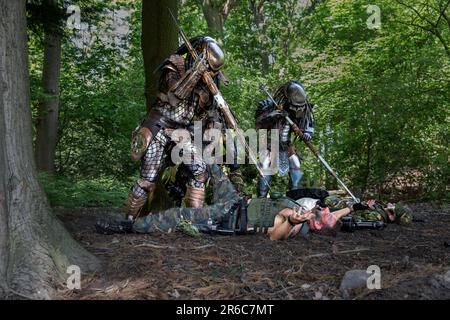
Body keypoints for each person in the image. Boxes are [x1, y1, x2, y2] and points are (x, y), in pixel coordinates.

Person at [95, 165, 364, 240]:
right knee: (211, 166)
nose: (325, 210)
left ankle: (127, 227)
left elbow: (275, 234)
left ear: (316, 226)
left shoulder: (298, 226)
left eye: (326, 215)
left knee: (174, 216)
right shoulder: (309, 209)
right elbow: (332, 214)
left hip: (224, 218)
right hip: (236, 201)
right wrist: (351, 207)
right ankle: (181, 158)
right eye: (327, 210)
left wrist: (293, 219)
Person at [126, 36, 226, 221]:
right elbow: (175, 95)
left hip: (181, 132)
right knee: (148, 179)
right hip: (159, 127)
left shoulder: (208, 80)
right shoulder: (175, 64)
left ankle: (194, 220)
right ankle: (129, 220)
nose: (211, 74)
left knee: (200, 171)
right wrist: (196, 72)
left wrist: (214, 125)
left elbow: (211, 110)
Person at [255, 80, 315, 197]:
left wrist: (306, 133)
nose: (296, 109)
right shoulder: (270, 106)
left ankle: (294, 194)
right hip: (270, 144)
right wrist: (275, 114)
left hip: (286, 144)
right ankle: (262, 197)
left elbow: (308, 125)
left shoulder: (303, 108)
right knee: (265, 165)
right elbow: (259, 123)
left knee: (296, 164)